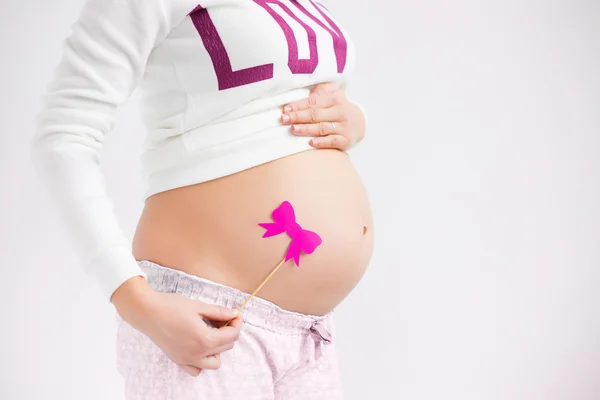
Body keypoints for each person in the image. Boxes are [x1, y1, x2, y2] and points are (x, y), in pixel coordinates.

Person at [31, 0, 373, 398]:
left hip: (309, 337)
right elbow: (63, 138)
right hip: (207, 320)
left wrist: (356, 119)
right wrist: (134, 300)